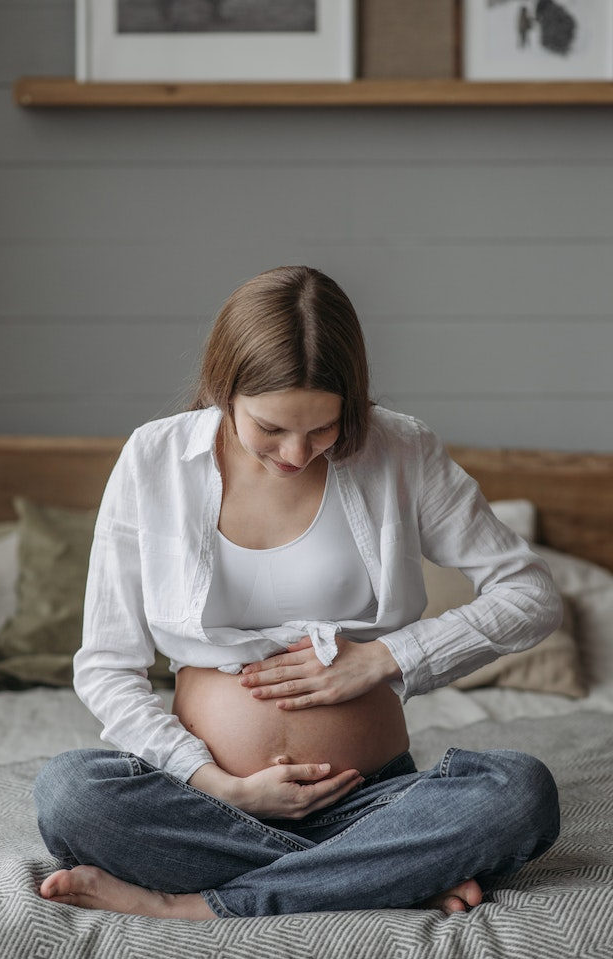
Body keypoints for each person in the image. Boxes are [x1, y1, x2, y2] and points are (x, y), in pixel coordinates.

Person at [33, 265, 563, 921]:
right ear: (223, 388)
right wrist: (220, 783)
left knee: (519, 792)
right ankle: (383, 874)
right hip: (210, 802)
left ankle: (202, 903)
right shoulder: (154, 459)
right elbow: (106, 663)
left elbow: (532, 594)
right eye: (271, 428)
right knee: (70, 792)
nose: (296, 452)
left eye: (323, 428)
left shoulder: (401, 449)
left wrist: (384, 658)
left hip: (375, 802)